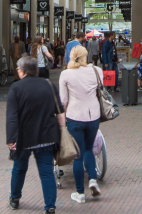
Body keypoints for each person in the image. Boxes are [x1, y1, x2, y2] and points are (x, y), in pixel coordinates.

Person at [6, 55, 62, 213]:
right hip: (47, 135)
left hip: (24, 137)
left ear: (23, 71)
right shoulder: (48, 84)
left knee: (19, 168)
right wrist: (61, 131)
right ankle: (50, 206)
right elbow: (59, 111)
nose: (17, 72)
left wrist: (11, 139)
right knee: (46, 171)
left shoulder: (16, 88)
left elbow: (12, 116)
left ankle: (15, 198)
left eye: (18, 69)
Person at [59, 45, 103, 204]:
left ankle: (80, 193)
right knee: (88, 149)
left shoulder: (66, 74)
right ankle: (92, 179)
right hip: (93, 116)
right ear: (86, 56)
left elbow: (63, 101)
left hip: (75, 116)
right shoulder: (97, 71)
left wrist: (61, 119)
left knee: (77, 155)